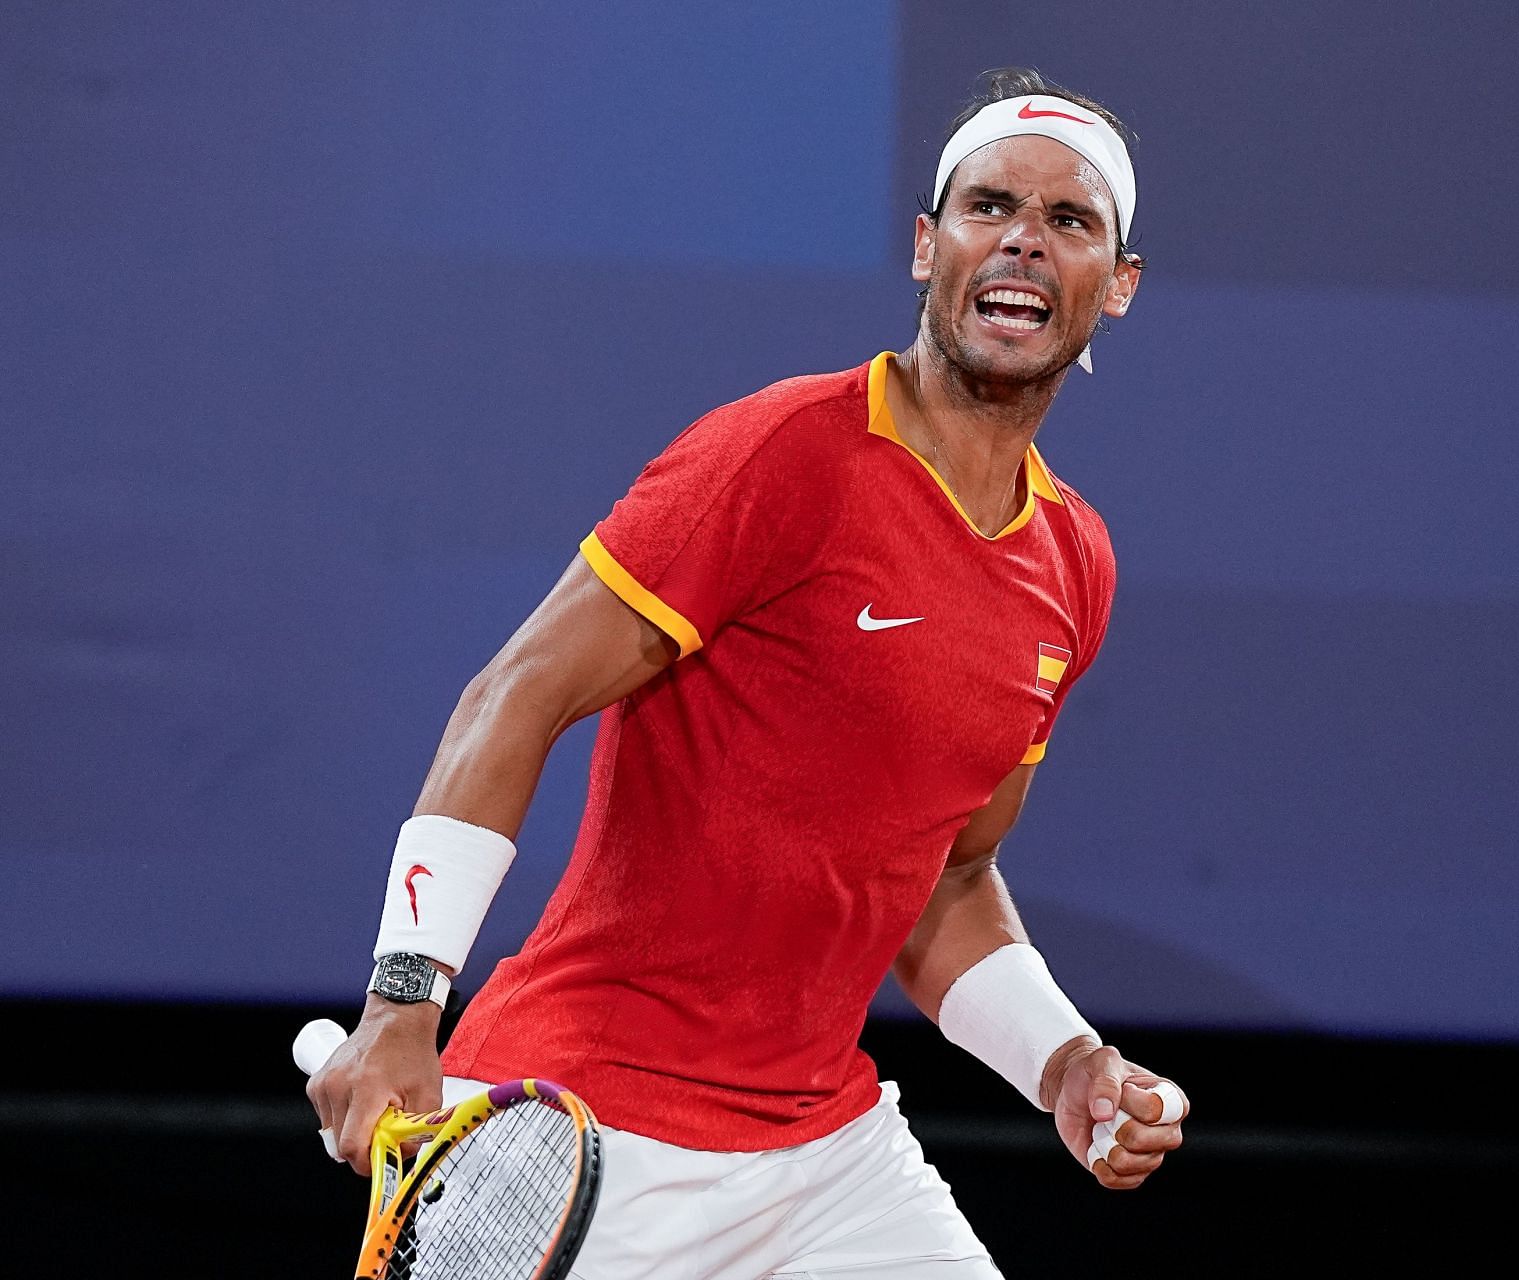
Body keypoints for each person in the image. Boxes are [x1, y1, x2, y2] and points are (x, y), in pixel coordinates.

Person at [306, 66, 1188, 1278]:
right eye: (989, 207)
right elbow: (515, 694)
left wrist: (1067, 1060)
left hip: (827, 1152)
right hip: (593, 1114)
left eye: (1069, 221)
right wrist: (404, 1003)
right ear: (929, 248)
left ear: (1118, 287)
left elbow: (948, 872)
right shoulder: (780, 454)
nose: (1023, 241)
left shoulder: (1072, 562)